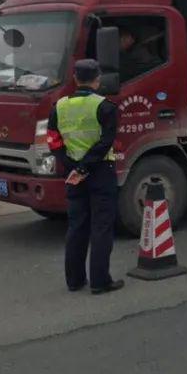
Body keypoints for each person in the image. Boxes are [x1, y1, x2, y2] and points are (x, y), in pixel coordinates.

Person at [47, 59, 124, 294]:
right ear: (97, 80)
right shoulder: (105, 107)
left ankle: (75, 280)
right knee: (101, 227)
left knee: (77, 227)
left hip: (73, 173)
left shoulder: (58, 107)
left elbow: (53, 141)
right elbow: (105, 142)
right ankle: (100, 282)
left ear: (75, 79)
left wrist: (74, 166)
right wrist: (86, 167)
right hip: (100, 171)